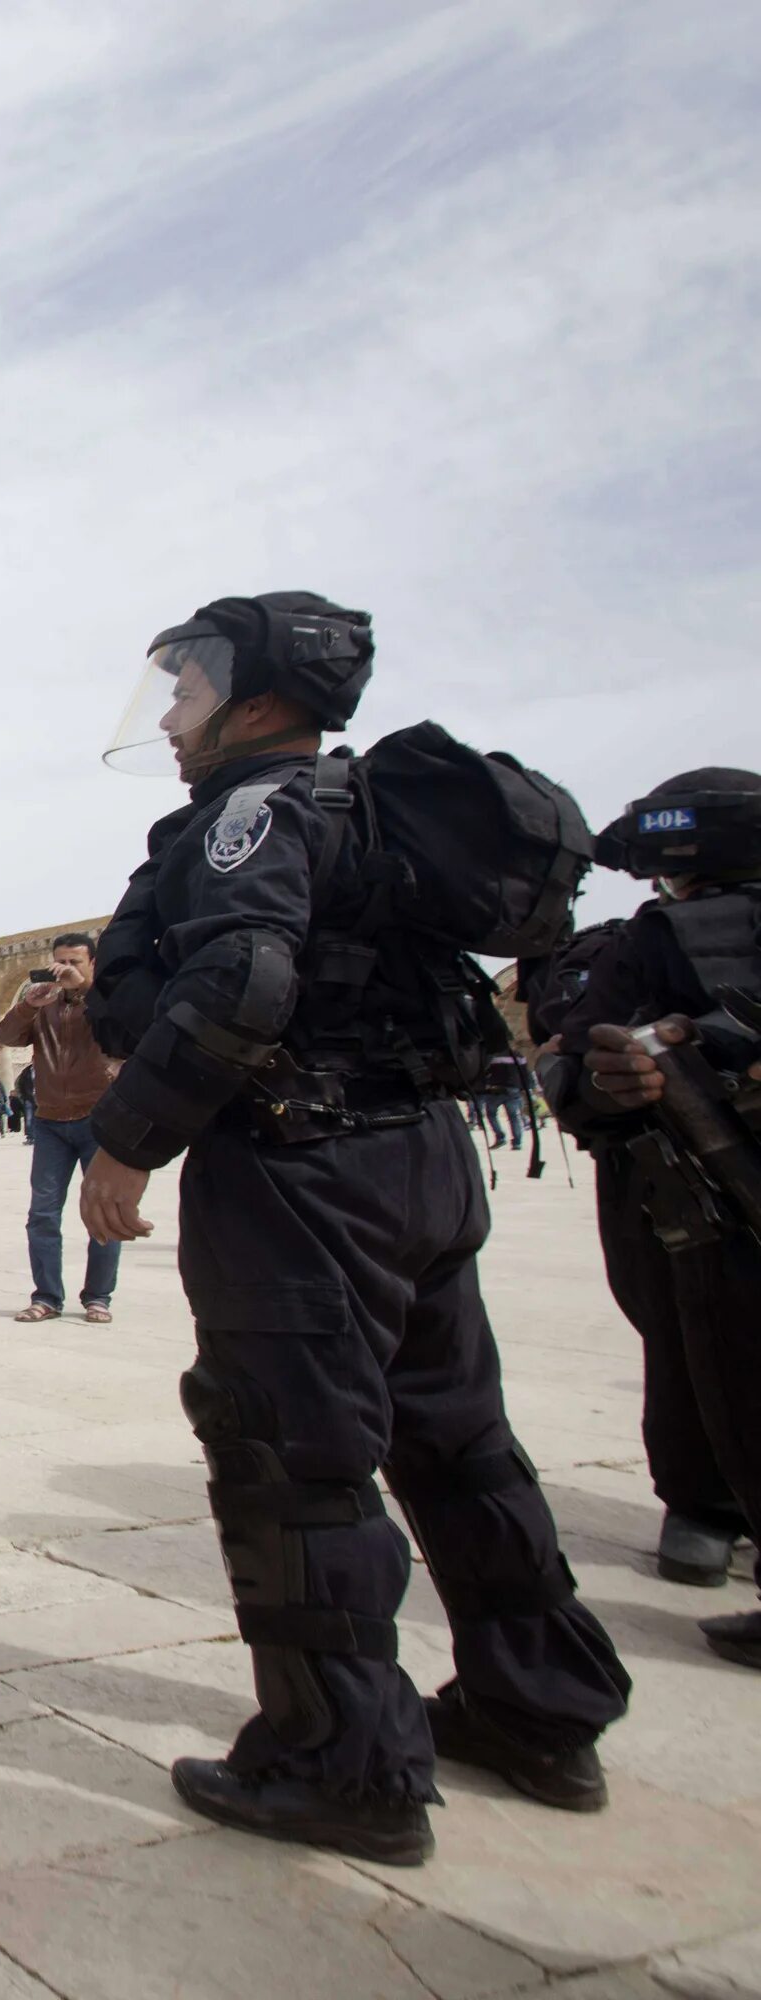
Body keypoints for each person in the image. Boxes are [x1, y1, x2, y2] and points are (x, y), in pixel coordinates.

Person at [77, 590, 628, 1865]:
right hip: (420, 1164)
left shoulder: (249, 816)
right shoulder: (368, 818)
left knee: (297, 1461)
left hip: (301, 1178)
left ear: (258, 703)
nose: (169, 717)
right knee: (462, 1445)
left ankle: (343, 1762)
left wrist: (127, 1138)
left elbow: (244, 978)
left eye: (189, 691)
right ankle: (540, 1707)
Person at [538, 767, 761, 1667]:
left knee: (698, 1345)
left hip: (692, 1202)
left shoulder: (653, 937)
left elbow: (573, 1064)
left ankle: (704, 1515)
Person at [523, 916, 752, 1590]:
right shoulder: (635, 946)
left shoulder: (634, 945)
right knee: (688, 1337)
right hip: (667, 1166)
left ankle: (702, 1516)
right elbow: (567, 1050)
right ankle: (703, 1512)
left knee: (690, 1340)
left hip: (666, 1171)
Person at [0, 935, 122, 1323]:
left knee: (101, 1211)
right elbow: (5, 1037)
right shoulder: (44, 1007)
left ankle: (98, 1296)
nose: (65, 968)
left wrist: (84, 989)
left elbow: (123, 1025)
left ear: (92, 964)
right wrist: (27, 1005)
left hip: (97, 1119)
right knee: (43, 1214)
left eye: (74, 961)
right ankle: (47, 1296)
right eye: (59, 962)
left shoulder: (107, 999)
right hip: (51, 1121)